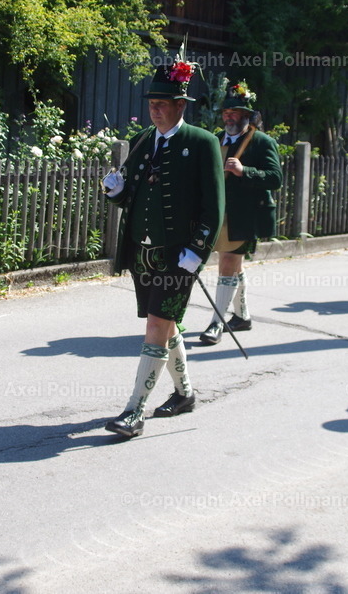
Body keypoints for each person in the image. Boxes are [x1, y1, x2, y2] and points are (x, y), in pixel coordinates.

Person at [100, 58, 224, 438]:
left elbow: (214, 205)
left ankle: (134, 412)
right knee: (165, 325)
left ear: (180, 106)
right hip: (143, 253)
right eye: (151, 103)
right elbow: (135, 197)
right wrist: (118, 193)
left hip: (178, 256)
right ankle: (185, 394)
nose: (155, 110)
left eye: (163, 104)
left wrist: (197, 251)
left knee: (157, 324)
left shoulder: (202, 143)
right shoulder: (142, 140)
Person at [198, 81, 283, 345]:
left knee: (227, 266)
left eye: (234, 112)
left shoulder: (261, 142)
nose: (228, 117)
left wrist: (244, 171)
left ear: (246, 115)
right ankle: (242, 316)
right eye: (225, 112)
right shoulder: (215, 139)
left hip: (244, 216)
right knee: (233, 266)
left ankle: (217, 323)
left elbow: (275, 178)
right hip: (217, 214)